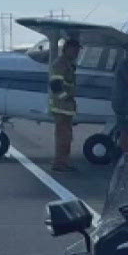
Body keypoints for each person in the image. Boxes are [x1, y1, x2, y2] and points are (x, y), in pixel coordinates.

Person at [48, 35, 81, 172]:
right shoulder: (60, 64)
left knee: (67, 137)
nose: (76, 53)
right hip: (61, 108)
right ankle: (59, 164)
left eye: (77, 51)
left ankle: (64, 162)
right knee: (63, 137)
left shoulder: (69, 64)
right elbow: (55, 85)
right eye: (74, 50)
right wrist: (65, 97)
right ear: (66, 49)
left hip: (67, 108)